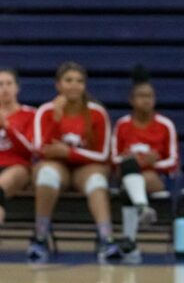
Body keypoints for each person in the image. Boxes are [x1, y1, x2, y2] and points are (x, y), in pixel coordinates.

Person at [29, 61, 121, 263]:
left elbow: (103, 155)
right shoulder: (45, 111)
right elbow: (39, 150)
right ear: (58, 85)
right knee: (46, 175)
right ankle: (40, 237)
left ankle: (106, 239)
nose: (74, 85)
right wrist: (56, 118)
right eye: (68, 80)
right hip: (56, 166)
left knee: (97, 180)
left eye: (79, 81)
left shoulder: (97, 113)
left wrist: (68, 152)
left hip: (86, 167)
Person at [112, 65, 179, 263]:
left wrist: (153, 163)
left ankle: (130, 242)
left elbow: (173, 161)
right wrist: (139, 161)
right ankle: (142, 209)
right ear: (131, 100)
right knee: (130, 170)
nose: (146, 100)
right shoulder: (123, 124)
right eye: (141, 96)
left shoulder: (165, 125)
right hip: (127, 173)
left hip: (154, 177)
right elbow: (114, 157)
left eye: (150, 96)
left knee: (133, 182)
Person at [0, 68, 35, 225]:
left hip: (17, 166)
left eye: (9, 83)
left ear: (17, 88)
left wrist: (7, 127)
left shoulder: (30, 114)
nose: (5, 88)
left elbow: (29, 150)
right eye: (0, 84)